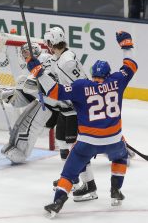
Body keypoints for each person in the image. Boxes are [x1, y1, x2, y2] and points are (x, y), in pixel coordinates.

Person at [26, 31, 138, 216]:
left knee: (69, 171)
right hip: (114, 140)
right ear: (108, 74)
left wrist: (38, 72)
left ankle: (58, 201)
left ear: (92, 74)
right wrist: (126, 44)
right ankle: (115, 190)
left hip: (88, 143)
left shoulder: (81, 87)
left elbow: (54, 92)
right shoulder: (117, 81)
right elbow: (131, 64)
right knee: (120, 156)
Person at [43, 26, 98, 201]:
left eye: (48, 43)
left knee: (78, 150)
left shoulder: (67, 61)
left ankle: (89, 186)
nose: (47, 46)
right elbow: (53, 71)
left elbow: (82, 86)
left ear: (52, 42)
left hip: (76, 109)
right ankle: (72, 179)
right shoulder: (59, 58)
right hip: (67, 108)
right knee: (61, 140)